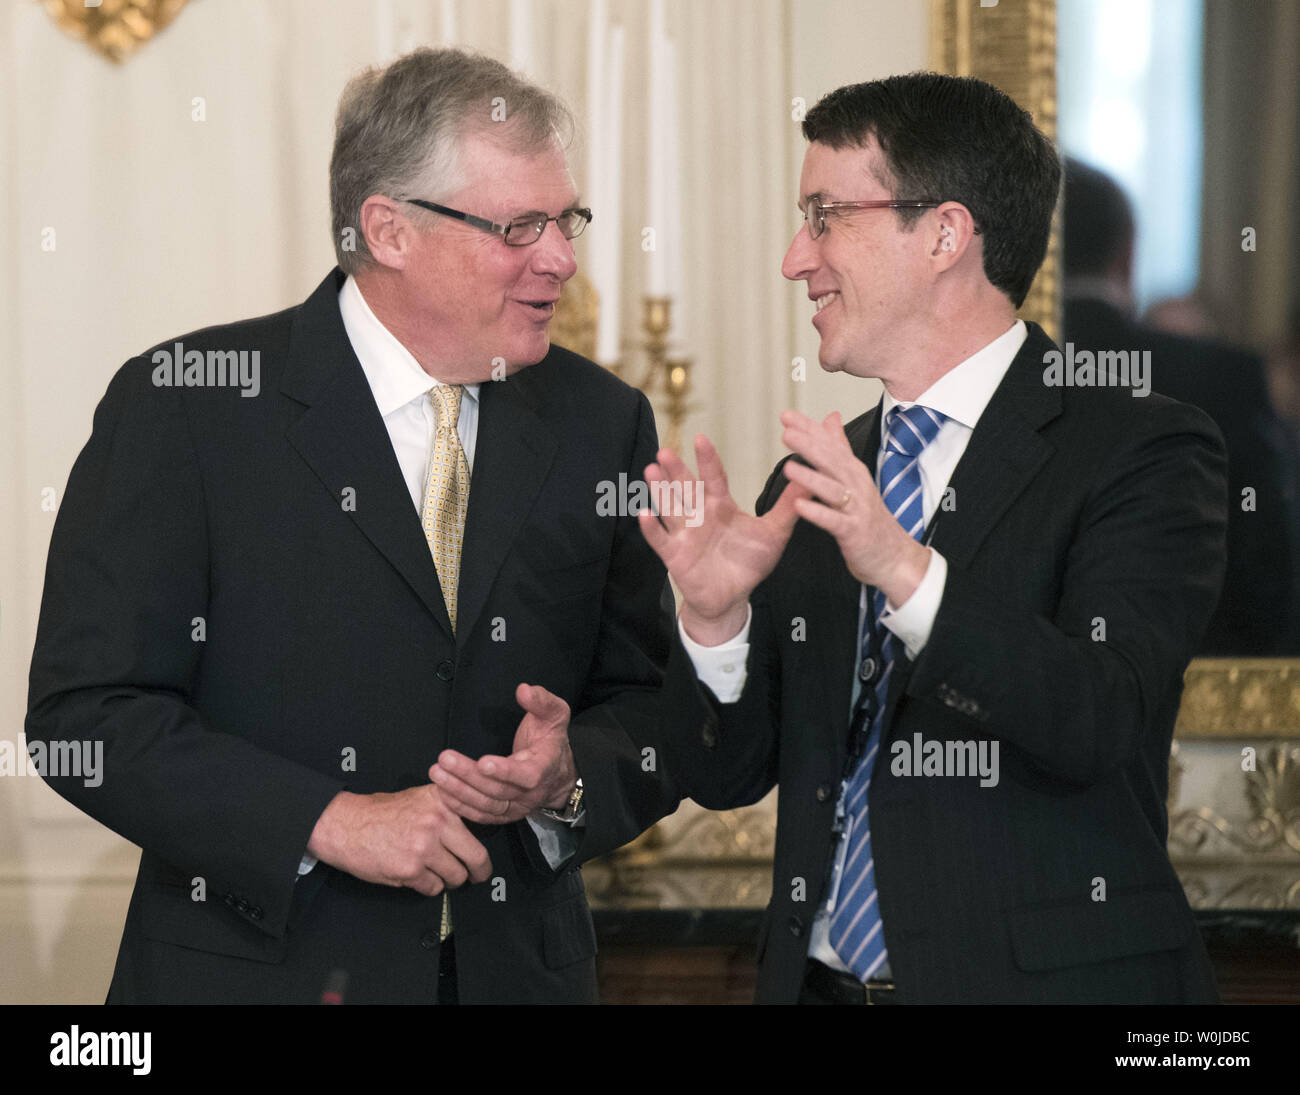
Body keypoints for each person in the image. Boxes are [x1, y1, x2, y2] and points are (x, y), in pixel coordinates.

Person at [25, 47, 678, 1004]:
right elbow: (85, 717)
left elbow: (650, 705)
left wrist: (570, 773)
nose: (562, 258)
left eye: (566, 220)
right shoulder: (190, 407)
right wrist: (326, 819)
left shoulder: (600, 422)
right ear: (389, 229)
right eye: (521, 226)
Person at [642, 73, 1227, 1004]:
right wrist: (716, 625)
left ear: (945, 234)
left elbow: (1098, 715)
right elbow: (727, 771)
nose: (797, 258)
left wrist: (907, 572)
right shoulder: (821, 479)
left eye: (825, 215)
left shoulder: (1141, 447)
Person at [1062, 157, 1297, 655]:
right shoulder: (1221, 375)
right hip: (1194, 677)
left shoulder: (988, 366)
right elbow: (1261, 566)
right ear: (1126, 252)